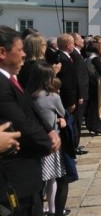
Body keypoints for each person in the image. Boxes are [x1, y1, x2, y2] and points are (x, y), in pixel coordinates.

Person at [0, 25, 59, 215]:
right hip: (17, 175)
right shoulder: (2, 85)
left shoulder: (11, 79)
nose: (24, 54)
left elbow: (29, 109)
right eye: (19, 50)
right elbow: (20, 121)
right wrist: (46, 143)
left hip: (28, 172)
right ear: (2, 52)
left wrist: (49, 130)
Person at [26, 62, 68, 216]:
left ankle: (40, 208)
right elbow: (62, 112)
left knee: (39, 178)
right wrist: (59, 119)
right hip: (52, 140)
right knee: (52, 178)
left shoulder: (27, 95)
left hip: (34, 140)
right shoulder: (52, 96)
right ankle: (52, 209)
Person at [70, 33, 89, 156]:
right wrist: (81, 95)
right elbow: (78, 77)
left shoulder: (78, 54)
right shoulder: (75, 56)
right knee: (76, 120)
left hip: (82, 92)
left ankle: (76, 144)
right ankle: (74, 145)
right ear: (76, 42)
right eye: (80, 39)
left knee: (78, 120)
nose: (83, 40)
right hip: (80, 94)